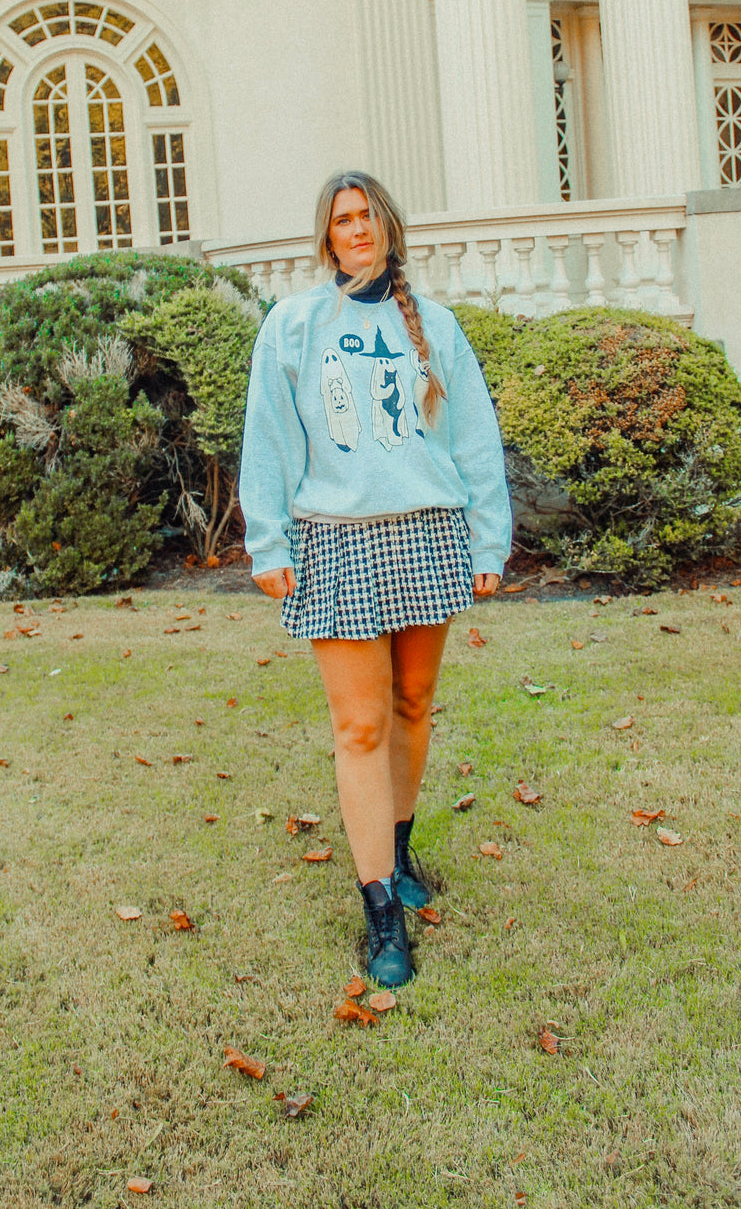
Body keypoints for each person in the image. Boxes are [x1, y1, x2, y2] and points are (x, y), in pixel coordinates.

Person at [238, 171, 512, 987]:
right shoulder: (292, 328)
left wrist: (488, 543)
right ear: (326, 238)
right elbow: (270, 440)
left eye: (367, 217)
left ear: (389, 227)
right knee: (360, 726)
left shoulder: (437, 327)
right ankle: (381, 911)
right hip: (336, 543)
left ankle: (398, 849)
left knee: (413, 705)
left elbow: (472, 440)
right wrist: (267, 543)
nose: (356, 230)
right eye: (341, 221)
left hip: (429, 535)